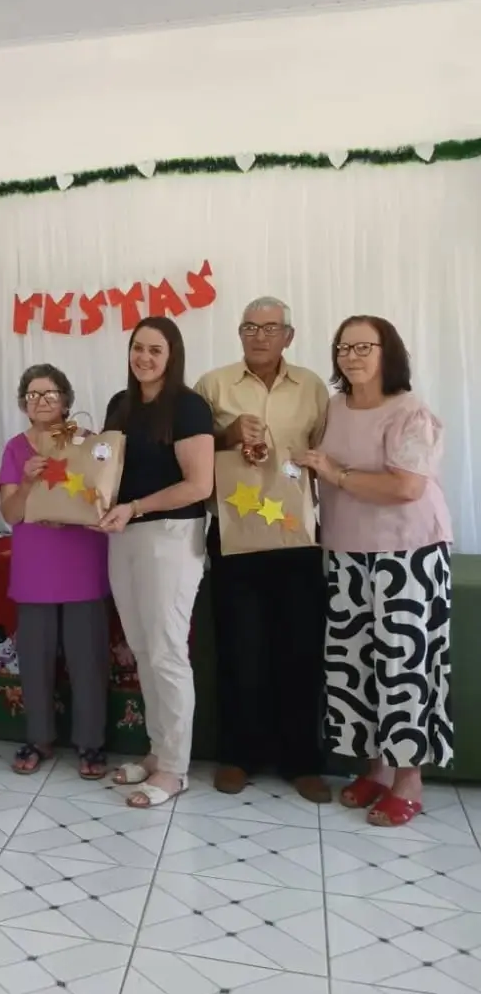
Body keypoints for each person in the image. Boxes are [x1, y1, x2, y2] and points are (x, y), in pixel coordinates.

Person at [296, 316, 453, 827]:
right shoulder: (334, 407)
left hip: (407, 555)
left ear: (389, 353)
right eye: (343, 347)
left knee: (402, 668)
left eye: (364, 346)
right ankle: (376, 769)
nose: (352, 355)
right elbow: (308, 461)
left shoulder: (411, 412)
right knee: (356, 666)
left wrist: (336, 474)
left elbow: (406, 488)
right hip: (345, 552)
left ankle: (409, 778)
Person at [196, 297, 331, 803]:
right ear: (239, 332)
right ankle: (238, 756)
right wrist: (228, 435)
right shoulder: (213, 384)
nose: (259, 335)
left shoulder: (314, 387)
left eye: (270, 328)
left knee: (299, 650)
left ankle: (302, 761)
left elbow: (326, 455)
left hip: (297, 535)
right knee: (239, 649)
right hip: (234, 534)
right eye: (250, 327)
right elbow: (187, 449)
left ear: (289, 337)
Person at [100, 317, 214, 808]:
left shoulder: (189, 407)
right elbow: (104, 469)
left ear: (173, 356)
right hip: (124, 535)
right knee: (143, 648)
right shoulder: (119, 405)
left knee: (167, 650)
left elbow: (199, 485)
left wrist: (138, 506)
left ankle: (175, 768)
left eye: (155, 350)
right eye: (137, 348)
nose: (143, 357)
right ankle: (157, 750)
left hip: (169, 536)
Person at [0, 365, 111, 778]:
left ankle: (91, 743)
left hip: (83, 560)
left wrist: (74, 514)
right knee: (35, 659)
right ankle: (39, 737)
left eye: (48, 394)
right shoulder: (15, 449)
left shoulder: (90, 444)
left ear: (66, 399)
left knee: (87, 659)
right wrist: (28, 485)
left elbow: (103, 499)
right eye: (31, 395)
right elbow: (11, 513)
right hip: (35, 566)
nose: (41, 402)